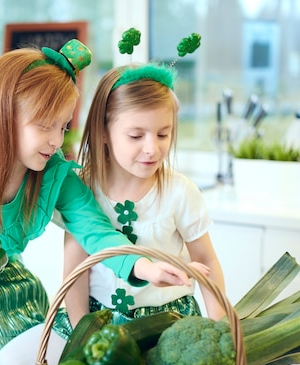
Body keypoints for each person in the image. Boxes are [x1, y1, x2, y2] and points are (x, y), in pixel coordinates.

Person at [0, 39, 194, 365]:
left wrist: (145, 267)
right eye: (44, 125)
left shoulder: (55, 173)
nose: (57, 140)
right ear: (0, 116)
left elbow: (96, 233)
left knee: (41, 329)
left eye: (63, 126)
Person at [61, 62, 226, 332]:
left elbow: (206, 261)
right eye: (136, 136)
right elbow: (74, 273)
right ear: (103, 132)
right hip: (98, 320)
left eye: (164, 134)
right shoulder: (83, 191)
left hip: (169, 322)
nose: (152, 148)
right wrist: (81, 333)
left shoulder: (180, 192)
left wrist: (218, 325)